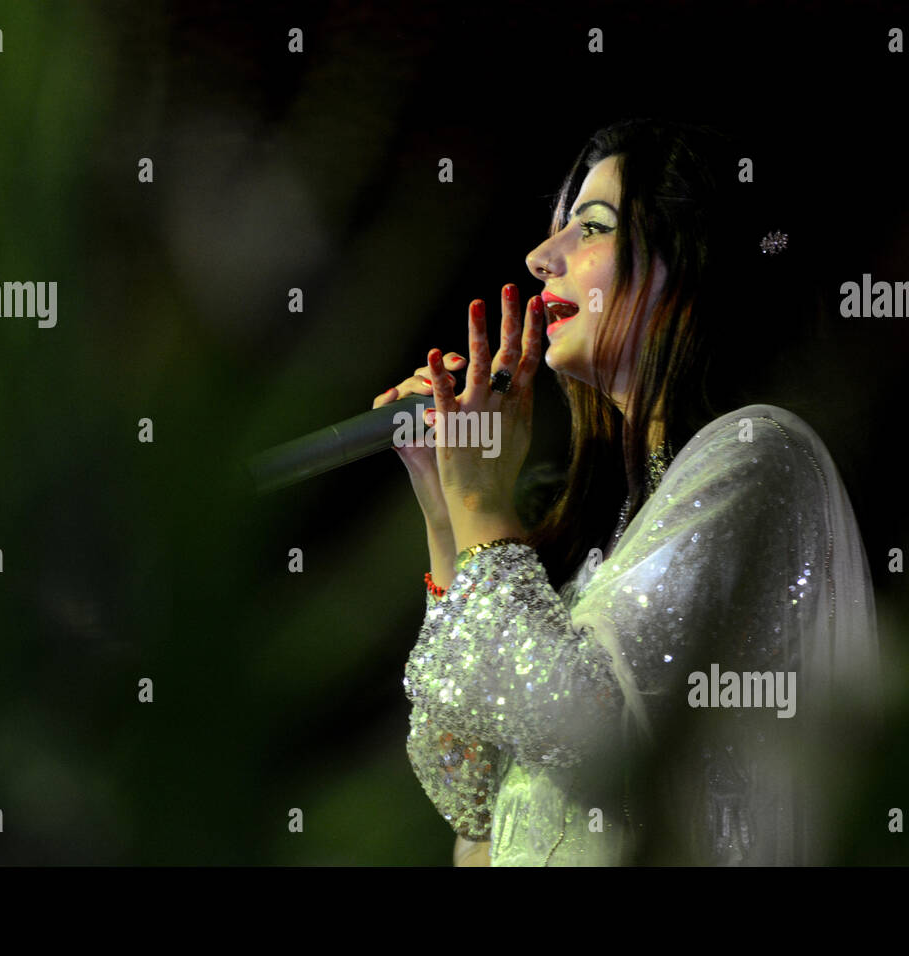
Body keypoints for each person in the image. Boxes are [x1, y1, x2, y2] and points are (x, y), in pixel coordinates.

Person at [373, 119, 880, 866]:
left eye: (592, 230)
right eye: (555, 234)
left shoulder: (757, 454)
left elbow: (596, 749)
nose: (542, 258)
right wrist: (447, 513)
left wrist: (483, 510)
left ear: (688, 262)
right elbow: (472, 793)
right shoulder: (595, 534)